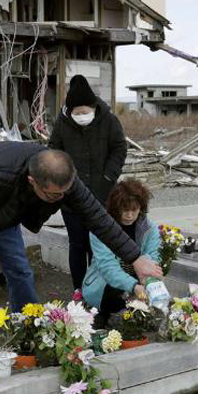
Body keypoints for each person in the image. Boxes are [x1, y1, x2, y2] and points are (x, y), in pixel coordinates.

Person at [0, 142, 162, 336]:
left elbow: (98, 219)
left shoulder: (65, 183)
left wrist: (135, 257)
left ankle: (29, 327)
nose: (61, 199)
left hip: (5, 219)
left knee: (20, 272)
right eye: (54, 195)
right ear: (33, 181)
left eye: (65, 193)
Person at [49, 74, 127, 290]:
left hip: (103, 194)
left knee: (100, 246)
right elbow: (54, 152)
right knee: (77, 245)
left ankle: (99, 289)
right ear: (70, 111)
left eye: (86, 112)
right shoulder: (62, 124)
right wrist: (63, 182)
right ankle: (78, 290)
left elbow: (119, 148)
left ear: (93, 108)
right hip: (71, 197)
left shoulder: (109, 121)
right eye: (77, 113)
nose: (82, 116)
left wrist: (108, 178)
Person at [82, 179, 160, 325]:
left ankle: (133, 316)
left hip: (138, 278)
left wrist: (147, 282)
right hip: (105, 282)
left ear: (141, 208)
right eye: (125, 209)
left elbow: (153, 260)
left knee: (154, 293)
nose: (129, 215)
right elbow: (108, 267)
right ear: (116, 207)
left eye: (134, 210)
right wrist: (134, 287)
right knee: (114, 296)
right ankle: (102, 312)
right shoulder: (102, 228)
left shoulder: (149, 229)